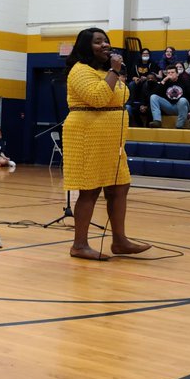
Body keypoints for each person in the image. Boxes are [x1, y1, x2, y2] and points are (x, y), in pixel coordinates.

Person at [63, 27, 150, 261]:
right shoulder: (79, 71)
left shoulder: (106, 72)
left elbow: (120, 97)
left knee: (120, 186)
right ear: (85, 46)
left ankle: (119, 241)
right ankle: (79, 245)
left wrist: (112, 72)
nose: (104, 45)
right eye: (97, 42)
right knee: (89, 190)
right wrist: (114, 70)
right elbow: (99, 98)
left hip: (112, 140)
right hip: (87, 135)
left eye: (106, 41)